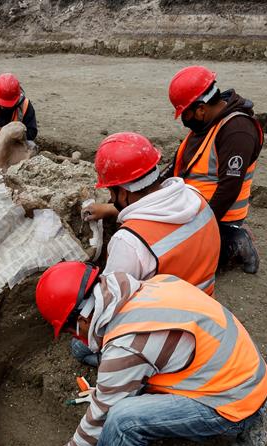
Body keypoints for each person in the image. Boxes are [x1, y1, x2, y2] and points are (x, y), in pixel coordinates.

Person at [36, 262, 267, 446]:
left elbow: (103, 413)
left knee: (123, 419)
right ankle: (254, 410)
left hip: (227, 398)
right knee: (118, 387)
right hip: (246, 373)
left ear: (83, 318)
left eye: (70, 329)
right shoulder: (151, 286)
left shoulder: (127, 345)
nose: (74, 336)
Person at [73, 132, 220, 368]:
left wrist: (86, 321)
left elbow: (109, 309)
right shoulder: (195, 198)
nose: (111, 197)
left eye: (112, 192)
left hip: (173, 328)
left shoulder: (130, 241)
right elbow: (157, 212)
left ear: (123, 191)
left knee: (81, 345)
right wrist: (114, 210)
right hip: (207, 305)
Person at [164, 65, 264, 274]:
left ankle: (234, 241)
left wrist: (198, 228)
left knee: (181, 264)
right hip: (190, 208)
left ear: (201, 109)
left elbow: (229, 189)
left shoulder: (237, 131)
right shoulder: (205, 125)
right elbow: (175, 168)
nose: (184, 121)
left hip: (219, 215)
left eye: (185, 114)